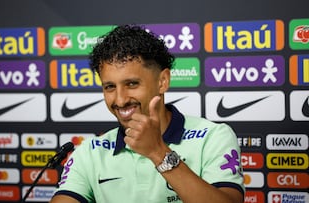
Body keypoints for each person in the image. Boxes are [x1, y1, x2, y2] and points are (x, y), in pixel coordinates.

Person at [50, 24, 244, 203]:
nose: (120, 100)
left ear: (163, 81)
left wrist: (158, 152)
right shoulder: (90, 152)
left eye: (132, 84)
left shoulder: (213, 137)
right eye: (110, 87)